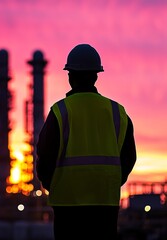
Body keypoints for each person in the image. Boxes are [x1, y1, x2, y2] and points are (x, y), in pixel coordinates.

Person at [36, 44, 136, 240]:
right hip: (105, 203)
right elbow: (129, 157)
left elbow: (45, 157)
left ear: (70, 76)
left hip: (68, 204)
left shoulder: (60, 111)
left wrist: (54, 185)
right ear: (96, 75)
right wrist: (112, 182)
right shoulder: (118, 112)